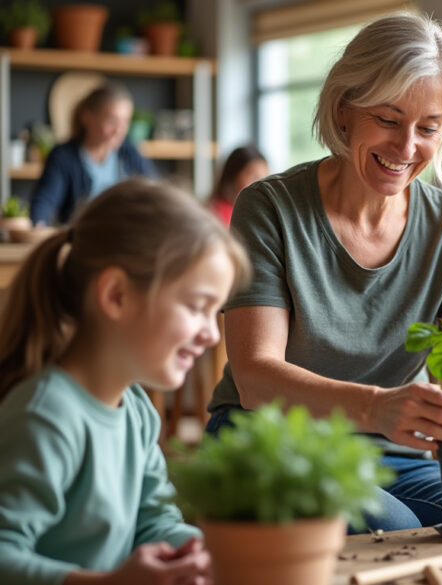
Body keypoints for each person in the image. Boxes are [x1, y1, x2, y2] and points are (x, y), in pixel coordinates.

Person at [203, 13, 442, 532]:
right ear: (344, 110)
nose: (407, 149)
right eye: (387, 119)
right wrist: (375, 407)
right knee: (399, 529)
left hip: (395, 455)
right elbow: (254, 378)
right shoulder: (269, 207)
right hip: (271, 440)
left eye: (428, 128)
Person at [0, 179, 251, 585]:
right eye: (196, 307)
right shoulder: (46, 415)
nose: (211, 335)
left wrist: (200, 552)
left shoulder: (135, 410)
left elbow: (155, 521)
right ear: (116, 295)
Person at [30, 83, 156, 226]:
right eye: (112, 121)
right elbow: (44, 202)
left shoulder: (130, 153)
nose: (119, 130)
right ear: (87, 118)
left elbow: (155, 195)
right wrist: (38, 225)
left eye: (125, 121)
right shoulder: (63, 156)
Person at [209, 145, 269, 226]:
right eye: (254, 177)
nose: (261, 184)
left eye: (266, 177)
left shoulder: (259, 212)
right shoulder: (216, 215)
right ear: (233, 176)